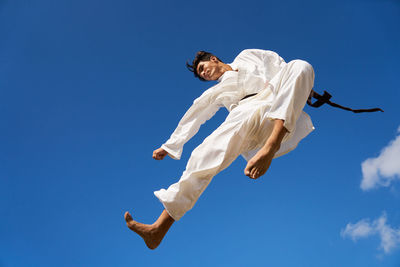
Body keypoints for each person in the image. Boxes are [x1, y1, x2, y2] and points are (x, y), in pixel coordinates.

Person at [124, 49, 315, 249]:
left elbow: (279, 65)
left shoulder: (248, 56)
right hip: (243, 114)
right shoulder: (216, 91)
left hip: (276, 106)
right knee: (204, 155)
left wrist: (302, 85)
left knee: (301, 65)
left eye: (202, 68)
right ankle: (158, 229)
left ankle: (272, 145)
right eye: (201, 75)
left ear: (213, 59)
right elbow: (194, 115)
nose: (204, 74)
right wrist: (170, 145)